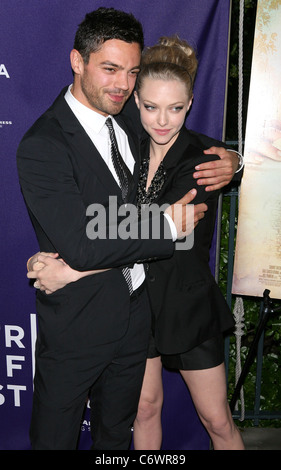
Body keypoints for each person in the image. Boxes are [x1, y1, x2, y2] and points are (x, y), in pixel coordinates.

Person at [20, 9, 240, 450]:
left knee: (118, 437)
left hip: (147, 313)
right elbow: (86, 238)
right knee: (58, 437)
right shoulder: (46, 143)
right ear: (77, 62)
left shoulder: (127, 122)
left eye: (130, 72)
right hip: (81, 326)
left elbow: (185, 152)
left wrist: (235, 163)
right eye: (110, 69)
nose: (121, 84)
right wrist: (161, 224)